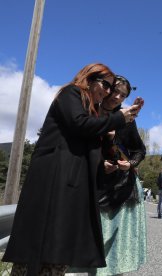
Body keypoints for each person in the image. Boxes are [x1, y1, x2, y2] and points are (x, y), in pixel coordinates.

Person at [2, 63, 139, 275]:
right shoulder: (72, 93)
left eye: (112, 89)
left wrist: (104, 165)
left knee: (59, 248)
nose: (108, 92)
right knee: (41, 247)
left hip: (71, 184)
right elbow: (79, 125)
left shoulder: (92, 109)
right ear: (90, 78)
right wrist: (119, 118)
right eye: (106, 85)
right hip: (54, 181)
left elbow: (87, 145)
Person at [84, 74, 147, 275]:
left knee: (117, 246)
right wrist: (99, 162)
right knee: (96, 240)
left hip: (123, 187)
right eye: (116, 91)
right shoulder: (89, 112)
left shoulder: (127, 119)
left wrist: (129, 164)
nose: (118, 97)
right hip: (97, 185)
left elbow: (139, 150)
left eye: (123, 95)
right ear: (106, 88)